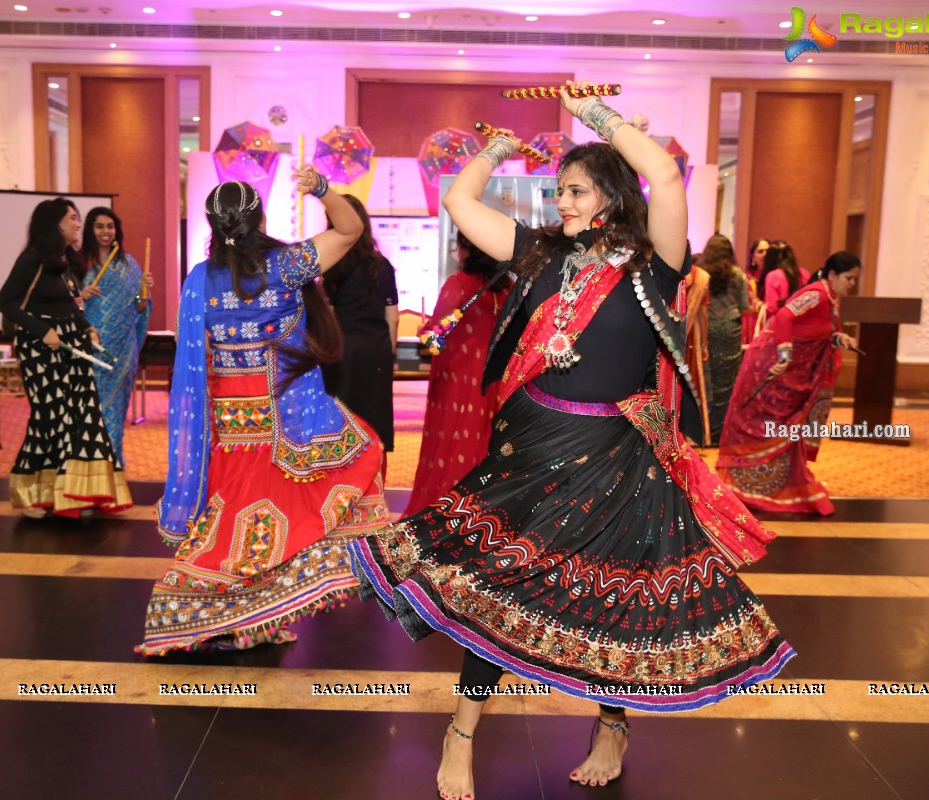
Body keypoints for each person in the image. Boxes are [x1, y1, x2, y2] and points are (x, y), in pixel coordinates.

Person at [348, 82, 793, 800]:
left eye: (577, 190)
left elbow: (670, 176)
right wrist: (494, 148)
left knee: (612, 598)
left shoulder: (657, 261)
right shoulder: (543, 256)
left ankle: (612, 726)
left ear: (612, 196)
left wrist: (599, 119)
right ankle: (461, 731)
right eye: (559, 191)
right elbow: (461, 204)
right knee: (495, 585)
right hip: (533, 449)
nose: (563, 202)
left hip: (618, 459)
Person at [137, 169, 391, 656]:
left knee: (234, 512)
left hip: (231, 415)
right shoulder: (286, 264)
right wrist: (320, 188)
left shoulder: (200, 279)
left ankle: (250, 619)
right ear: (259, 218)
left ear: (211, 223)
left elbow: (197, 355)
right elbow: (349, 230)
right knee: (327, 478)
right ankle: (217, 610)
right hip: (286, 412)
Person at [0, 198, 132, 519]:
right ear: (54, 224)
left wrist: (87, 329)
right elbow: (5, 302)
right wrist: (41, 330)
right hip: (40, 348)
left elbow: (71, 306)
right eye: (72, 218)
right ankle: (31, 495)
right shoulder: (31, 261)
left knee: (81, 417)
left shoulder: (65, 262)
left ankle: (77, 494)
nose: (77, 224)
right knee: (50, 417)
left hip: (72, 346)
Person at [716, 251, 862, 516]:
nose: (852, 284)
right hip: (773, 366)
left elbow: (823, 333)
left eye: (854, 279)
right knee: (761, 423)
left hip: (794, 372)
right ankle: (747, 482)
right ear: (832, 274)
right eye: (849, 278)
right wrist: (784, 354)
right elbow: (784, 317)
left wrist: (842, 339)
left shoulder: (831, 298)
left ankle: (779, 483)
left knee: (788, 426)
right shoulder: (817, 294)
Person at [404, 232, 513, 516]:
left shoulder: (459, 284)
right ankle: (480, 515)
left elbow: (433, 338)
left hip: (459, 379)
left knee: (450, 444)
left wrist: (424, 330)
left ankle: (441, 515)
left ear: (466, 250)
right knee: (484, 443)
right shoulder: (508, 287)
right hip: (495, 379)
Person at [322, 195, 399, 471]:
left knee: (342, 419)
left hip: (344, 350)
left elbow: (328, 315)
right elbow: (392, 318)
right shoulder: (383, 265)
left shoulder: (333, 265)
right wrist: (387, 353)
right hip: (376, 350)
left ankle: (343, 480)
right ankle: (376, 482)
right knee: (375, 420)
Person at [77, 207, 152, 468]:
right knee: (91, 414)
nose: (105, 231)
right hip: (90, 350)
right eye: (99, 226)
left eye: (110, 226)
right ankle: (89, 476)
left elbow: (139, 308)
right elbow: (64, 306)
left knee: (116, 415)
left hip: (121, 352)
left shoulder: (129, 265)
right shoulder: (79, 264)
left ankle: (112, 469)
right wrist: (80, 296)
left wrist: (144, 293)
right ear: (90, 230)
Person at [701, 234, 749, 444]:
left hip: (708, 328)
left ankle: (707, 430)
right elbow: (745, 306)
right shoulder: (737, 275)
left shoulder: (703, 274)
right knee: (728, 379)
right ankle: (722, 431)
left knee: (709, 376)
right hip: (730, 328)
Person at [683, 253, 711, 443]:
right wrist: (703, 345)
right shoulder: (701, 277)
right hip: (691, 333)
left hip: (662, 332)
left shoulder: (663, 271)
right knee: (691, 378)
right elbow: (703, 314)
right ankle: (690, 436)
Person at [758, 240, 811, 320]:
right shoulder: (805, 273)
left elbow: (772, 309)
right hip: (803, 324)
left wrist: (760, 306)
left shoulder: (773, 276)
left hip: (782, 325)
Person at [741, 238, 769, 345]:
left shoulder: (776, 277)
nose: (765, 254)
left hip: (770, 321)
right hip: (751, 322)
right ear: (753, 256)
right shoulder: (746, 278)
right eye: (760, 251)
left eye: (767, 251)